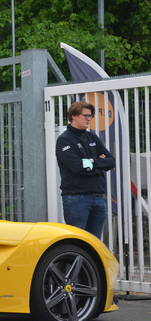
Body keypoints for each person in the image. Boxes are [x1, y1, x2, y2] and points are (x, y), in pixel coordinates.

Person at [56, 101, 115, 239]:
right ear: (74, 116)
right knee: (78, 243)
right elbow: (76, 166)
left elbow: (111, 161)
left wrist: (91, 162)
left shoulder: (92, 137)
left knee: (94, 244)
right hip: (77, 198)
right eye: (86, 115)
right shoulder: (64, 140)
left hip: (98, 198)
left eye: (91, 116)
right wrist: (98, 162)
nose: (89, 119)